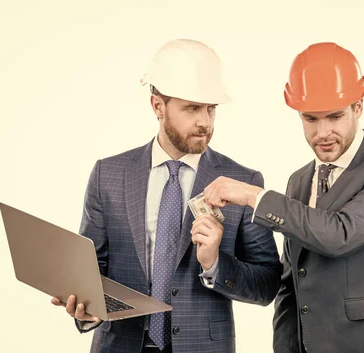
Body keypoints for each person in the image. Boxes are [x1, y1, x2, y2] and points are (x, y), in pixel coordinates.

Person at [50, 38, 282, 353]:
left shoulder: (243, 181)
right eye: (192, 108)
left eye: (211, 108)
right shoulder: (109, 174)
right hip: (119, 345)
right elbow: (94, 268)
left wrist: (215, 262)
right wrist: (85, 308)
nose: (205, 122)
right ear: (158, 105)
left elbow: (266, 284)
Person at [203, 42, 364, 353]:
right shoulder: (299, 181)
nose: (322, 133)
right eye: (311, 119)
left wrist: (255, 196)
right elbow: (292, 285)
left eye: (334, 117)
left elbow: (340, 233)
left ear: (358, 106)